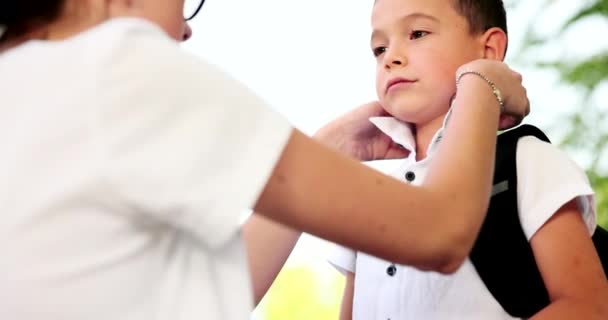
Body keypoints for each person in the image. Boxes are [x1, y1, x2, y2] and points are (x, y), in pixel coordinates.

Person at [0, 1, 529, 319]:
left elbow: (201, 302)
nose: (185, 28)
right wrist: (481, 85)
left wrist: (323, 152)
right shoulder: (118, 64)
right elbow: (438, 232)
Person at [317, 0, 608, 319]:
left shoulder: (525, 160)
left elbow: (588, 306)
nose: (391, 58)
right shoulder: (369, 198)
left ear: (489, 50)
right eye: (379, 49)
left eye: (417, 33)